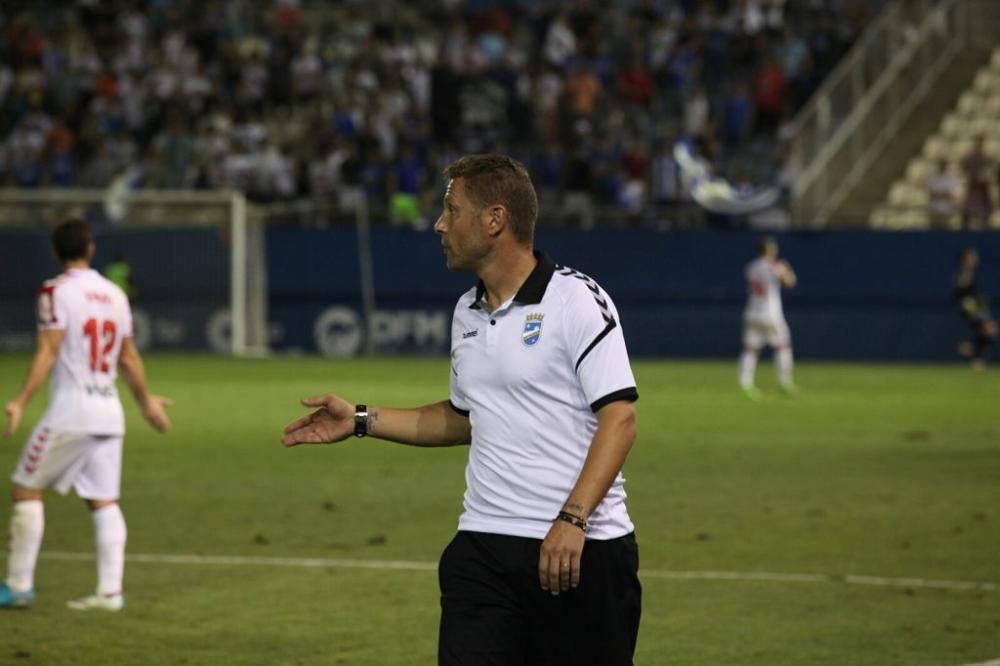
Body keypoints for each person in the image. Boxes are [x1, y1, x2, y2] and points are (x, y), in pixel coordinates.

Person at [282, 154, 641, 665]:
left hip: (579, 550)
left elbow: (620, 419)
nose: (439, 224)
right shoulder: (466, 311)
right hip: (484, 546)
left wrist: (573, 520)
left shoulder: (577, 301)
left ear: (494, 220)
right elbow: (467, 418)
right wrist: (362, 420)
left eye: (451, 209)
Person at [1, 219, 171, 612]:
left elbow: (48, 350)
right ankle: (110, 592)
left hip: (71, 411)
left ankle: (18, 584)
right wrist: (145, 402)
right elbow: (128, 356)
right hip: (109, 411)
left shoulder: (54, 291)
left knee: (26, 488)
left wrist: (21, 401)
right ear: (90, 250)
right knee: (104, 500)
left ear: (55, 252)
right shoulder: (115, 294)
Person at [739, 236, 798, 398]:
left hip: (751, 311)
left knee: (750, 349)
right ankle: (784, 382)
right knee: (783, 346)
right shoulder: (775, 266)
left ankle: (745, 384)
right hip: (770, 313)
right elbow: (790, 282)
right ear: (771, 250)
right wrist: (786, 270)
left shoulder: (751, 266)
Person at [953, 247, 997, 371]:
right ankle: (977, 358)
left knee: (989, 330)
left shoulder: (969, 273)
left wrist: (980, 301)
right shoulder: (963, 273)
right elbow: (960, 293)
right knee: (989, 328)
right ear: (966, 259)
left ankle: (970, 349)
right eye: (972, 256)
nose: (975, 258)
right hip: (969, 306)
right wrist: (976, 302)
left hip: (973, 305)